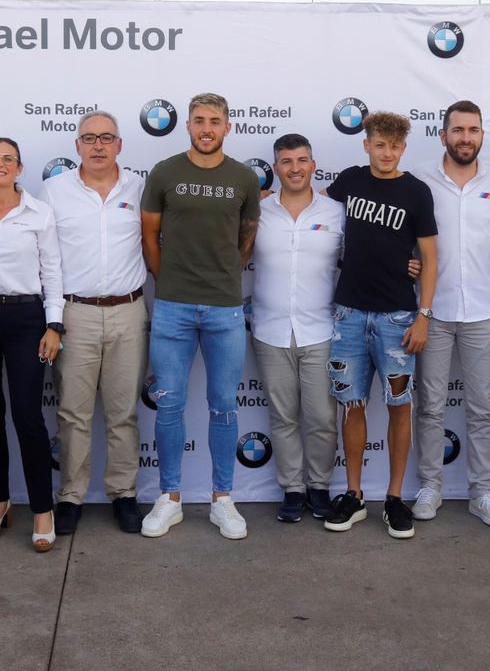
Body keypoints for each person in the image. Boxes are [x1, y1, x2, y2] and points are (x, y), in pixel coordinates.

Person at [139, 92, 261, 540]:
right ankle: (170, 498)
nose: (206, 128)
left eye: (214, 121)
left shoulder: (243, 178)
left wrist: (224, 276)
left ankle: (222, 499)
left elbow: (246, 238)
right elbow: (149, 235)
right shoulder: (165, 172)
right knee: (169, 404)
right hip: (172, 307)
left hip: (225, 309)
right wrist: (168, 280)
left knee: (224, 405)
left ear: (228, 127)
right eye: (198, 120)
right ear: (187, 125)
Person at [322, 111, 438, 540]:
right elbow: (312, 207)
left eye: (394, 146)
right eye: (380, 145)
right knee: (351, 405)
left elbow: (430, 258)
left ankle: (393, 498)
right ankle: (353, 495)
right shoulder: (350, 180)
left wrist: (424, 315)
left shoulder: (416, 191)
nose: (387, 153)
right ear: (366, 144)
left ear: (404, 148)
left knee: (399, 406)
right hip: (349, 314)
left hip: (397, 317)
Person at [40, 111, 148, 535]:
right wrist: (53, 318)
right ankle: (71, 496)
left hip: (128, 310)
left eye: (106, 138)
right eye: (89, 138)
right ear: (77, 146)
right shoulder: (54, 192)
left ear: (120, 144)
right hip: (75, 313)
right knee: (73, 413)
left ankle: (124, 493)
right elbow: (47, 262)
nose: (98, 146)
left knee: (123, 412)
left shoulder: (139, 188)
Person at [0, 137, 65, 553]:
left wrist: (54, 324)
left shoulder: (39, 213)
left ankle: (42, 508)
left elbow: (52, 271)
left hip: (26, 319)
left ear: (19, 168)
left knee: (26, 413)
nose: (0, 164)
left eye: (8, 159)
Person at [412, 100, 490, 529]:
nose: (465, 138)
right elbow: (403, 236)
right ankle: (430, 486)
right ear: (443, 135)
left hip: (484, 312)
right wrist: (405, 262)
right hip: (432, 311)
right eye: (458, 130)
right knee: (430, 407)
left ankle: (483, 492)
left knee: (483, 409)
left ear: (482, 136)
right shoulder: (419, 180)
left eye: (473, 130)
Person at [250, 133, 345, 523]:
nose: (295, 168)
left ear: (313, 165)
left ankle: (319, 487)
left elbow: (365, 258)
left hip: (321, 330)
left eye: (302, 160)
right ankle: (292, 489)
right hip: (269, 330)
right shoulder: (257, 211)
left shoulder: (336, 212)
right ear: (275, 168)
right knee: (283, 416)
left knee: (322, 417)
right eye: (286, 162)